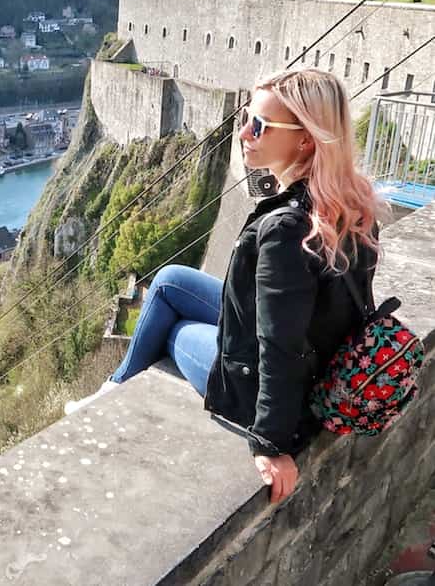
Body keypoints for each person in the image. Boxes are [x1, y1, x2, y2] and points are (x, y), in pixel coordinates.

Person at [65, 69, 383, 504]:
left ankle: (111, 392)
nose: (244, 132)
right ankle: (113, 387)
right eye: (246, 117)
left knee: (171, 332)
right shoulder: (352, 203)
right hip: (323, 361)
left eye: (259, 125)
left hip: (270, 388)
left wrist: (270, 442)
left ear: (306, 141)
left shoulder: (287, 229)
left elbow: (279, 344)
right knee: (169, 281)